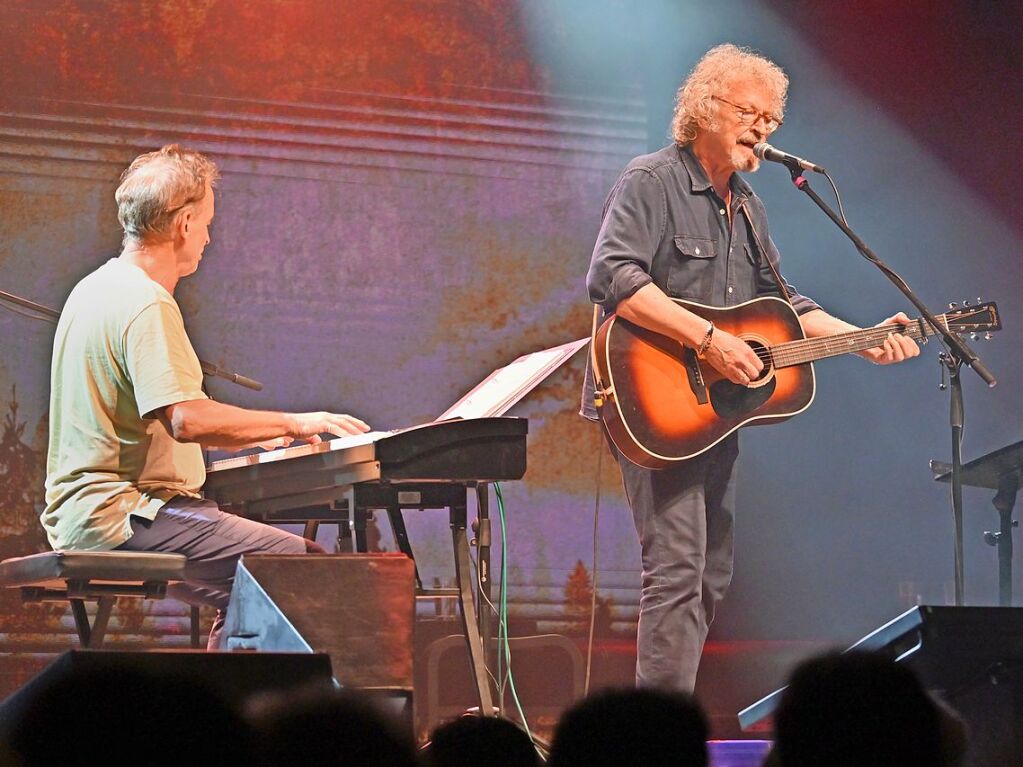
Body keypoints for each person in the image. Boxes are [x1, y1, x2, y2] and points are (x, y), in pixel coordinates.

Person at [581, 44, 919, 692]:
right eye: (749, 113)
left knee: (708, 572)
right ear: (706, 108)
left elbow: (785, 307)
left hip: (713, 413)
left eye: (771, 122)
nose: (762, 130)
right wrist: (707, 340)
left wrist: (864, 337)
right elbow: (613, 276)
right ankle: (659, 735)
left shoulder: (748, 208)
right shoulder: (650, 180)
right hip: (649, 399)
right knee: (677, 566)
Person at [43, 144, 369, 648]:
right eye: (208, 223)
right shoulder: (146, 301)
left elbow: (136, 418)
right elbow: (188, 420)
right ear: (185, 223)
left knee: (251, 587)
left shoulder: (93, 289)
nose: (210, 237)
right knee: (307, 573)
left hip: (85, 512)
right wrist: (296, 423)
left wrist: (247, 436)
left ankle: (224, 713)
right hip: (125, 515)